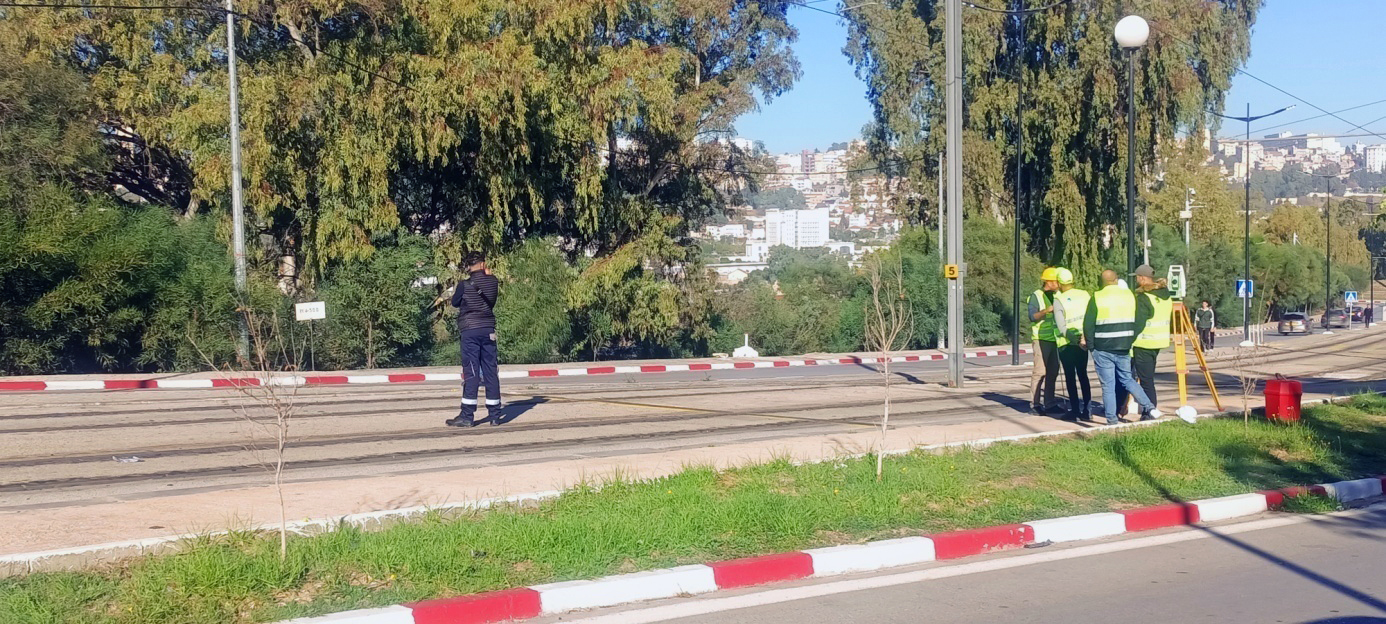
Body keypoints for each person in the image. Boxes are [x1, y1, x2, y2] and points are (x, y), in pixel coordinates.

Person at [1084, 269, 1162, 426]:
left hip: (1102, 347)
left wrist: (1091, 346)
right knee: (1127, 379)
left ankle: (1112, 420)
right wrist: (1130, 337)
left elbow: (1088, 324)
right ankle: (1150, 407)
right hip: (1124, 346)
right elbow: (1141, 318)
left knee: (1108, 386)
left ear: (1103, 281)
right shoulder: (1130, 296)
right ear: (1116, 279)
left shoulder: (1097, 297)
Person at [446, 250, 502, 428]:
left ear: (468, 266)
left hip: (470, 330)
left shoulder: (464, 284)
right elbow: (491, 301)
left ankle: (467, 415)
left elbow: (455, 303)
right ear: (483, 264)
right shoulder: (493, 281)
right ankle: (495, 415)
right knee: (490, 371)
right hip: (488, 330)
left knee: (471, 372)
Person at [1118, 264, 1172, 420]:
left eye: (1136, 277)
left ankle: (1149, 412)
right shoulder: (1164, 294)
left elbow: (1139, 323)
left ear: (1142, 278)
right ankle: (1133, 407)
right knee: (1145, 378)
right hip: (1158, 341)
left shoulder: (1144, 298)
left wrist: (1127, 340)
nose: (1136, 280)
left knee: (1145, 381)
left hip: (1144, 342)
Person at [1051, 268, 1092, 421]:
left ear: (1060, 283)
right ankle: (1087, 411)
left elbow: (1062, 327)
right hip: (1083, 341)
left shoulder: (1058, 300)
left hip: (1066, 344)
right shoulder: (1084, 294)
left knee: (1070, 377)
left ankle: (1074, 410)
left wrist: (1072, 338)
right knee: (1083, 375)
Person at [1028, 267, 1062, 415]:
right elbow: (1032, 316)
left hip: (1055, 339)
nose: (1059, 284)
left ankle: (1050, 403)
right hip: (1040, 339)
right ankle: (1035, 404)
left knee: (1053, 373)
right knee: (1040, 372)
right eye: (1056, 281)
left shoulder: (1058, 295)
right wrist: (1046, 311)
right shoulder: (1036, 296)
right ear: (1049, 281)